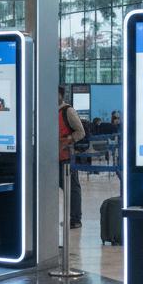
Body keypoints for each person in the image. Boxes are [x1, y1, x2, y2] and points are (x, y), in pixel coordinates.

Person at [58, 86, 85, 229]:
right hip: (49, 157)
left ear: (61, 95)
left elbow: (81, 132)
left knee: (72, 188)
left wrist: (68, 139)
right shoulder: (45, 110)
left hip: (66, 157)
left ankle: (75, 219)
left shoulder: (68, 111)